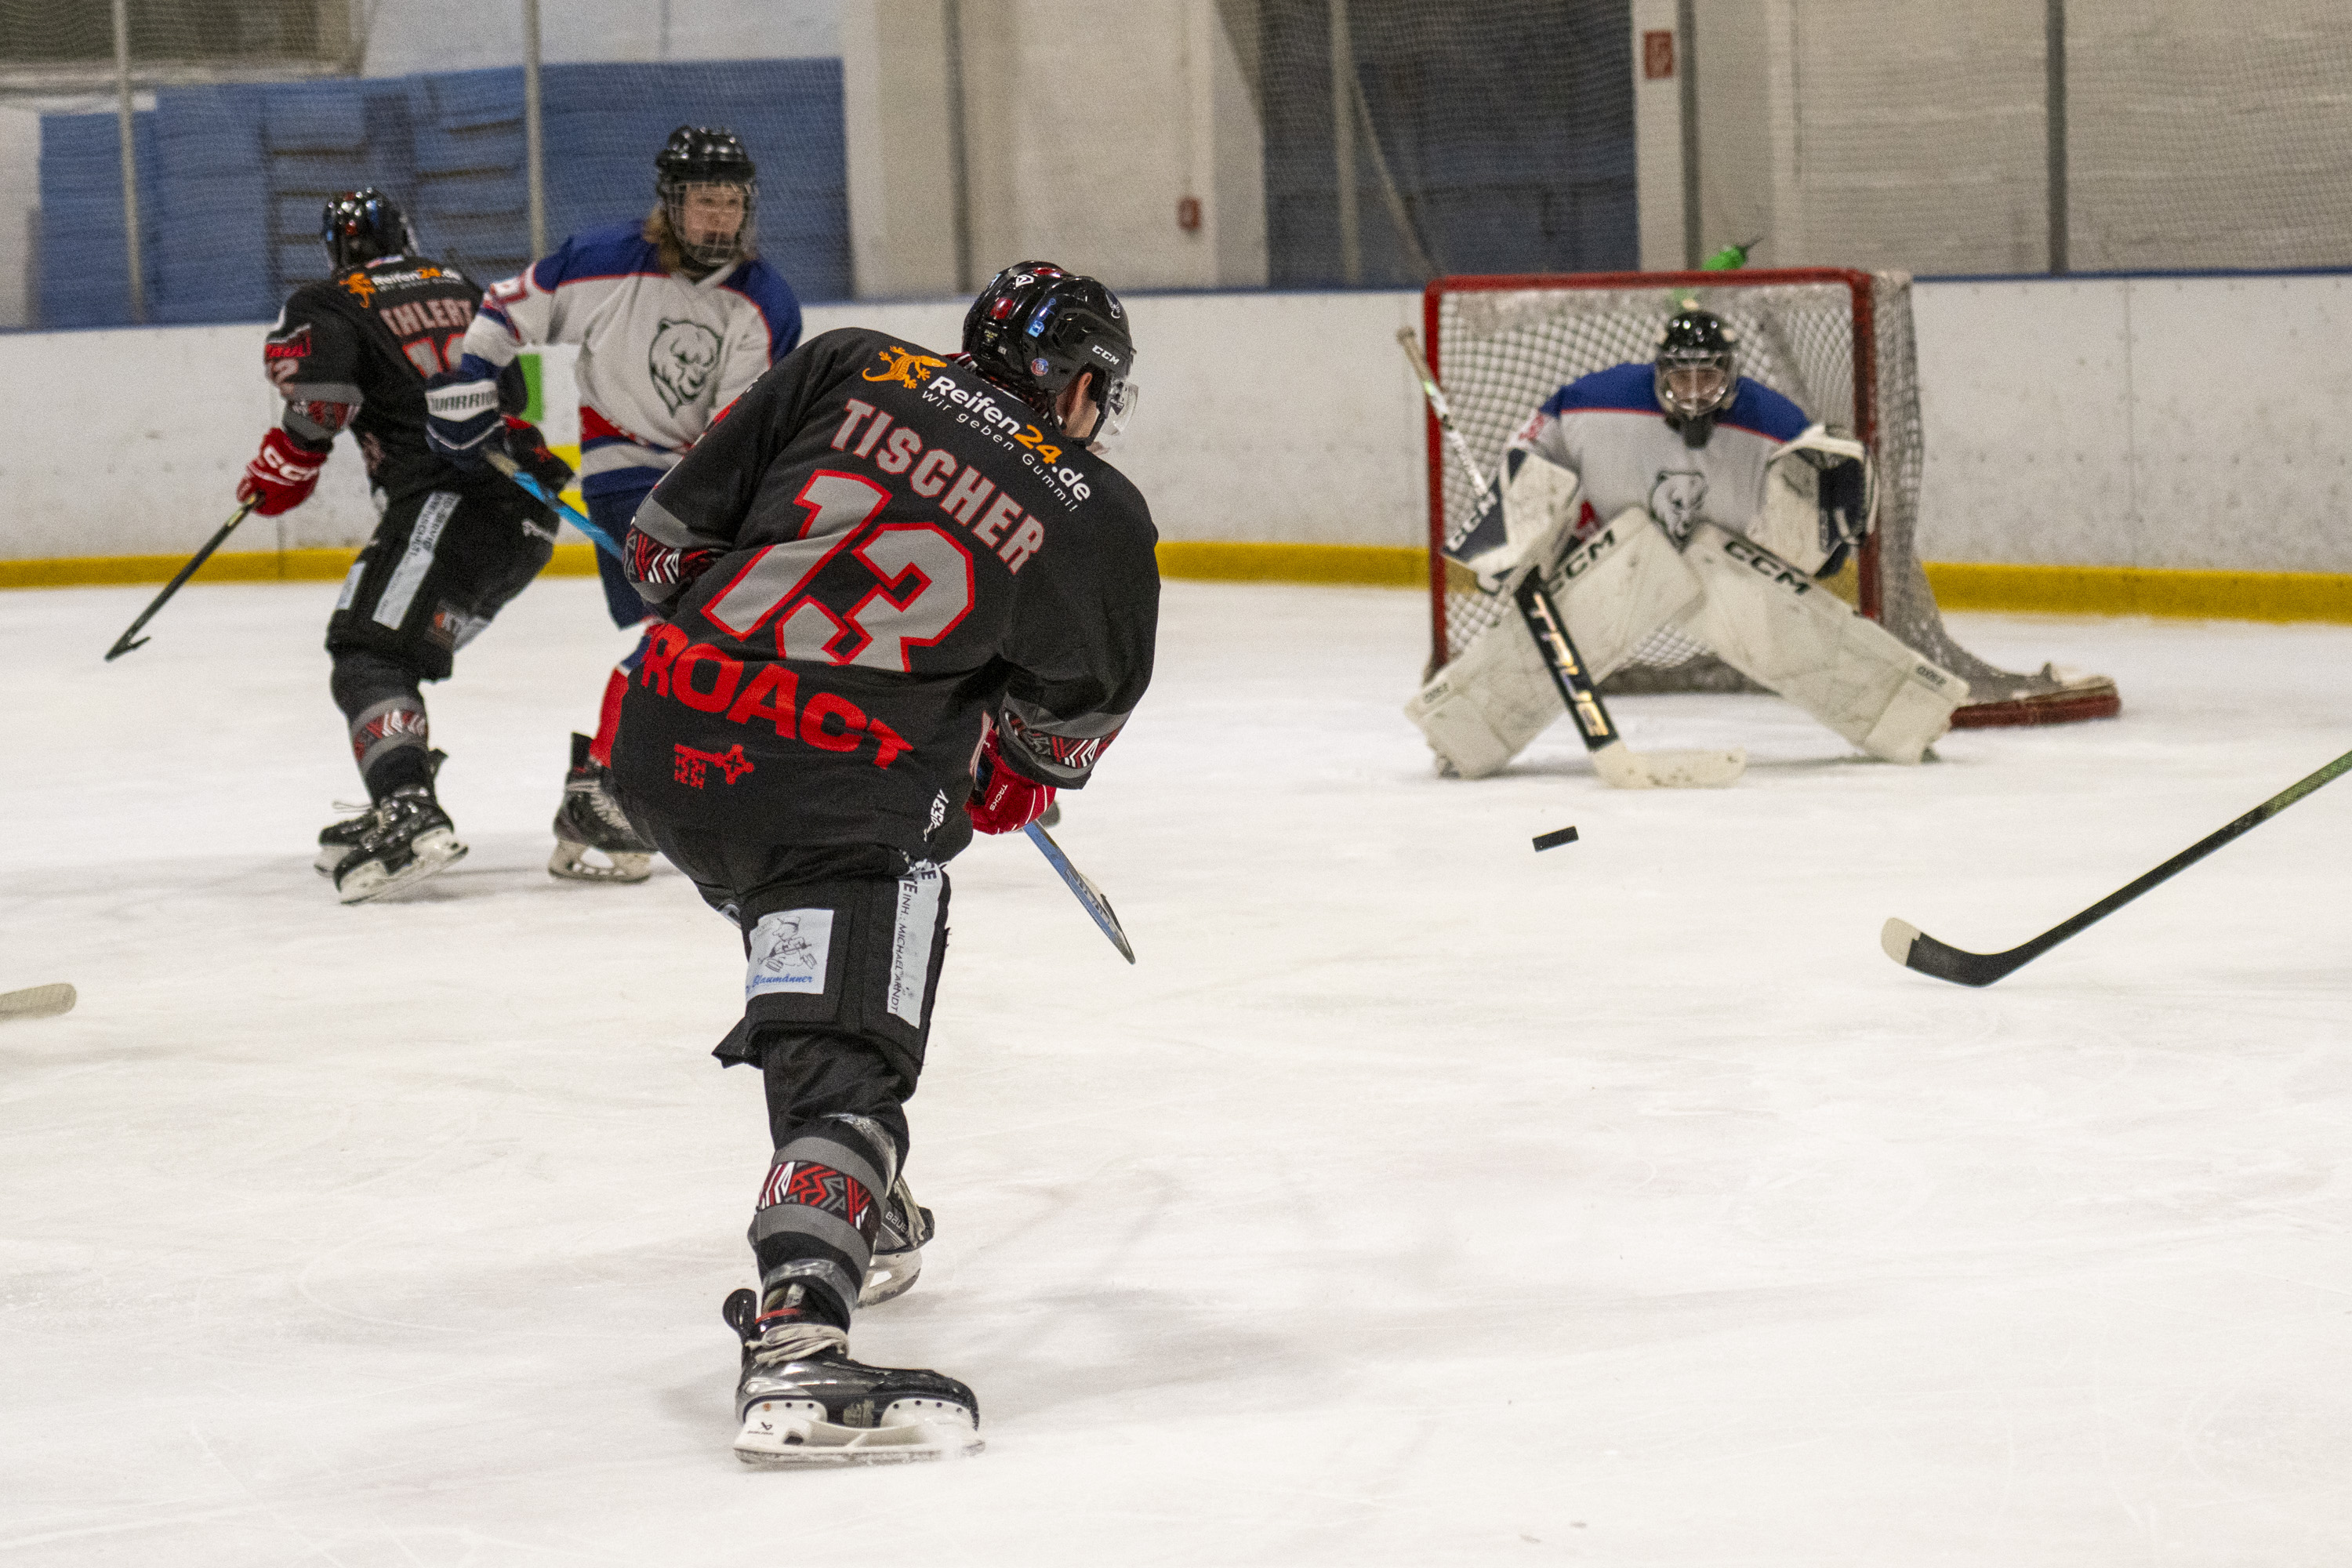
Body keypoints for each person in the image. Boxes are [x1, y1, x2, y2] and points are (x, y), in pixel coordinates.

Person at [608, 262, 1154, 1465]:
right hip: (832, 783)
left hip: (655, 741)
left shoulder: (849, 362)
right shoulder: (1095, 510)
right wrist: (1004, 763)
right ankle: (800, 1335)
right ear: (1077, 388)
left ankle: (858, 1195)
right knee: (853, 1018)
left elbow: (655, 553)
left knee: (801, 923)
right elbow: (1055, 739)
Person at [427, 125, 803, 883]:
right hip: (625, 472)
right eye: (704, 201)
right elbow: (505, 310)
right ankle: (604, 781)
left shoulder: (765, 303)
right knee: (686, 625)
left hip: (708, 482)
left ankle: (617, 780)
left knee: (711, 628)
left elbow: (744, 431)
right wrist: (471, 379)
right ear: (672, 202)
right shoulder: (603, 263)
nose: (719, 218)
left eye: (731, 202)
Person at [1407, 306, 1969, 776]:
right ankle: (1461, 737)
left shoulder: (1775, 422)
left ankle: (1907, 718)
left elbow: (1818, 520)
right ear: (1660, 374)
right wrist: (1516, 525)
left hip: (1720, 563)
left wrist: (1825, 540)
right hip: (1620, 559)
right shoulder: (1591, 403)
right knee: (1551, 630)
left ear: (1730, 372)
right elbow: (1535, 452)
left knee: (1801, 627)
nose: (1695, 391)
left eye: (1708, 377)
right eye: (1682, 377)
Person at [238, 188, 572, 903]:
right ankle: (402, 783)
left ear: (337, 249)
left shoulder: (329, 299)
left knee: (368, 651)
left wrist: (286, 458)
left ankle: (409, 807)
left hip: (449, 500)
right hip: (528, 513)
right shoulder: (464, 286)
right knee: (396, 652)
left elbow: (322, 400)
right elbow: (513, 391)